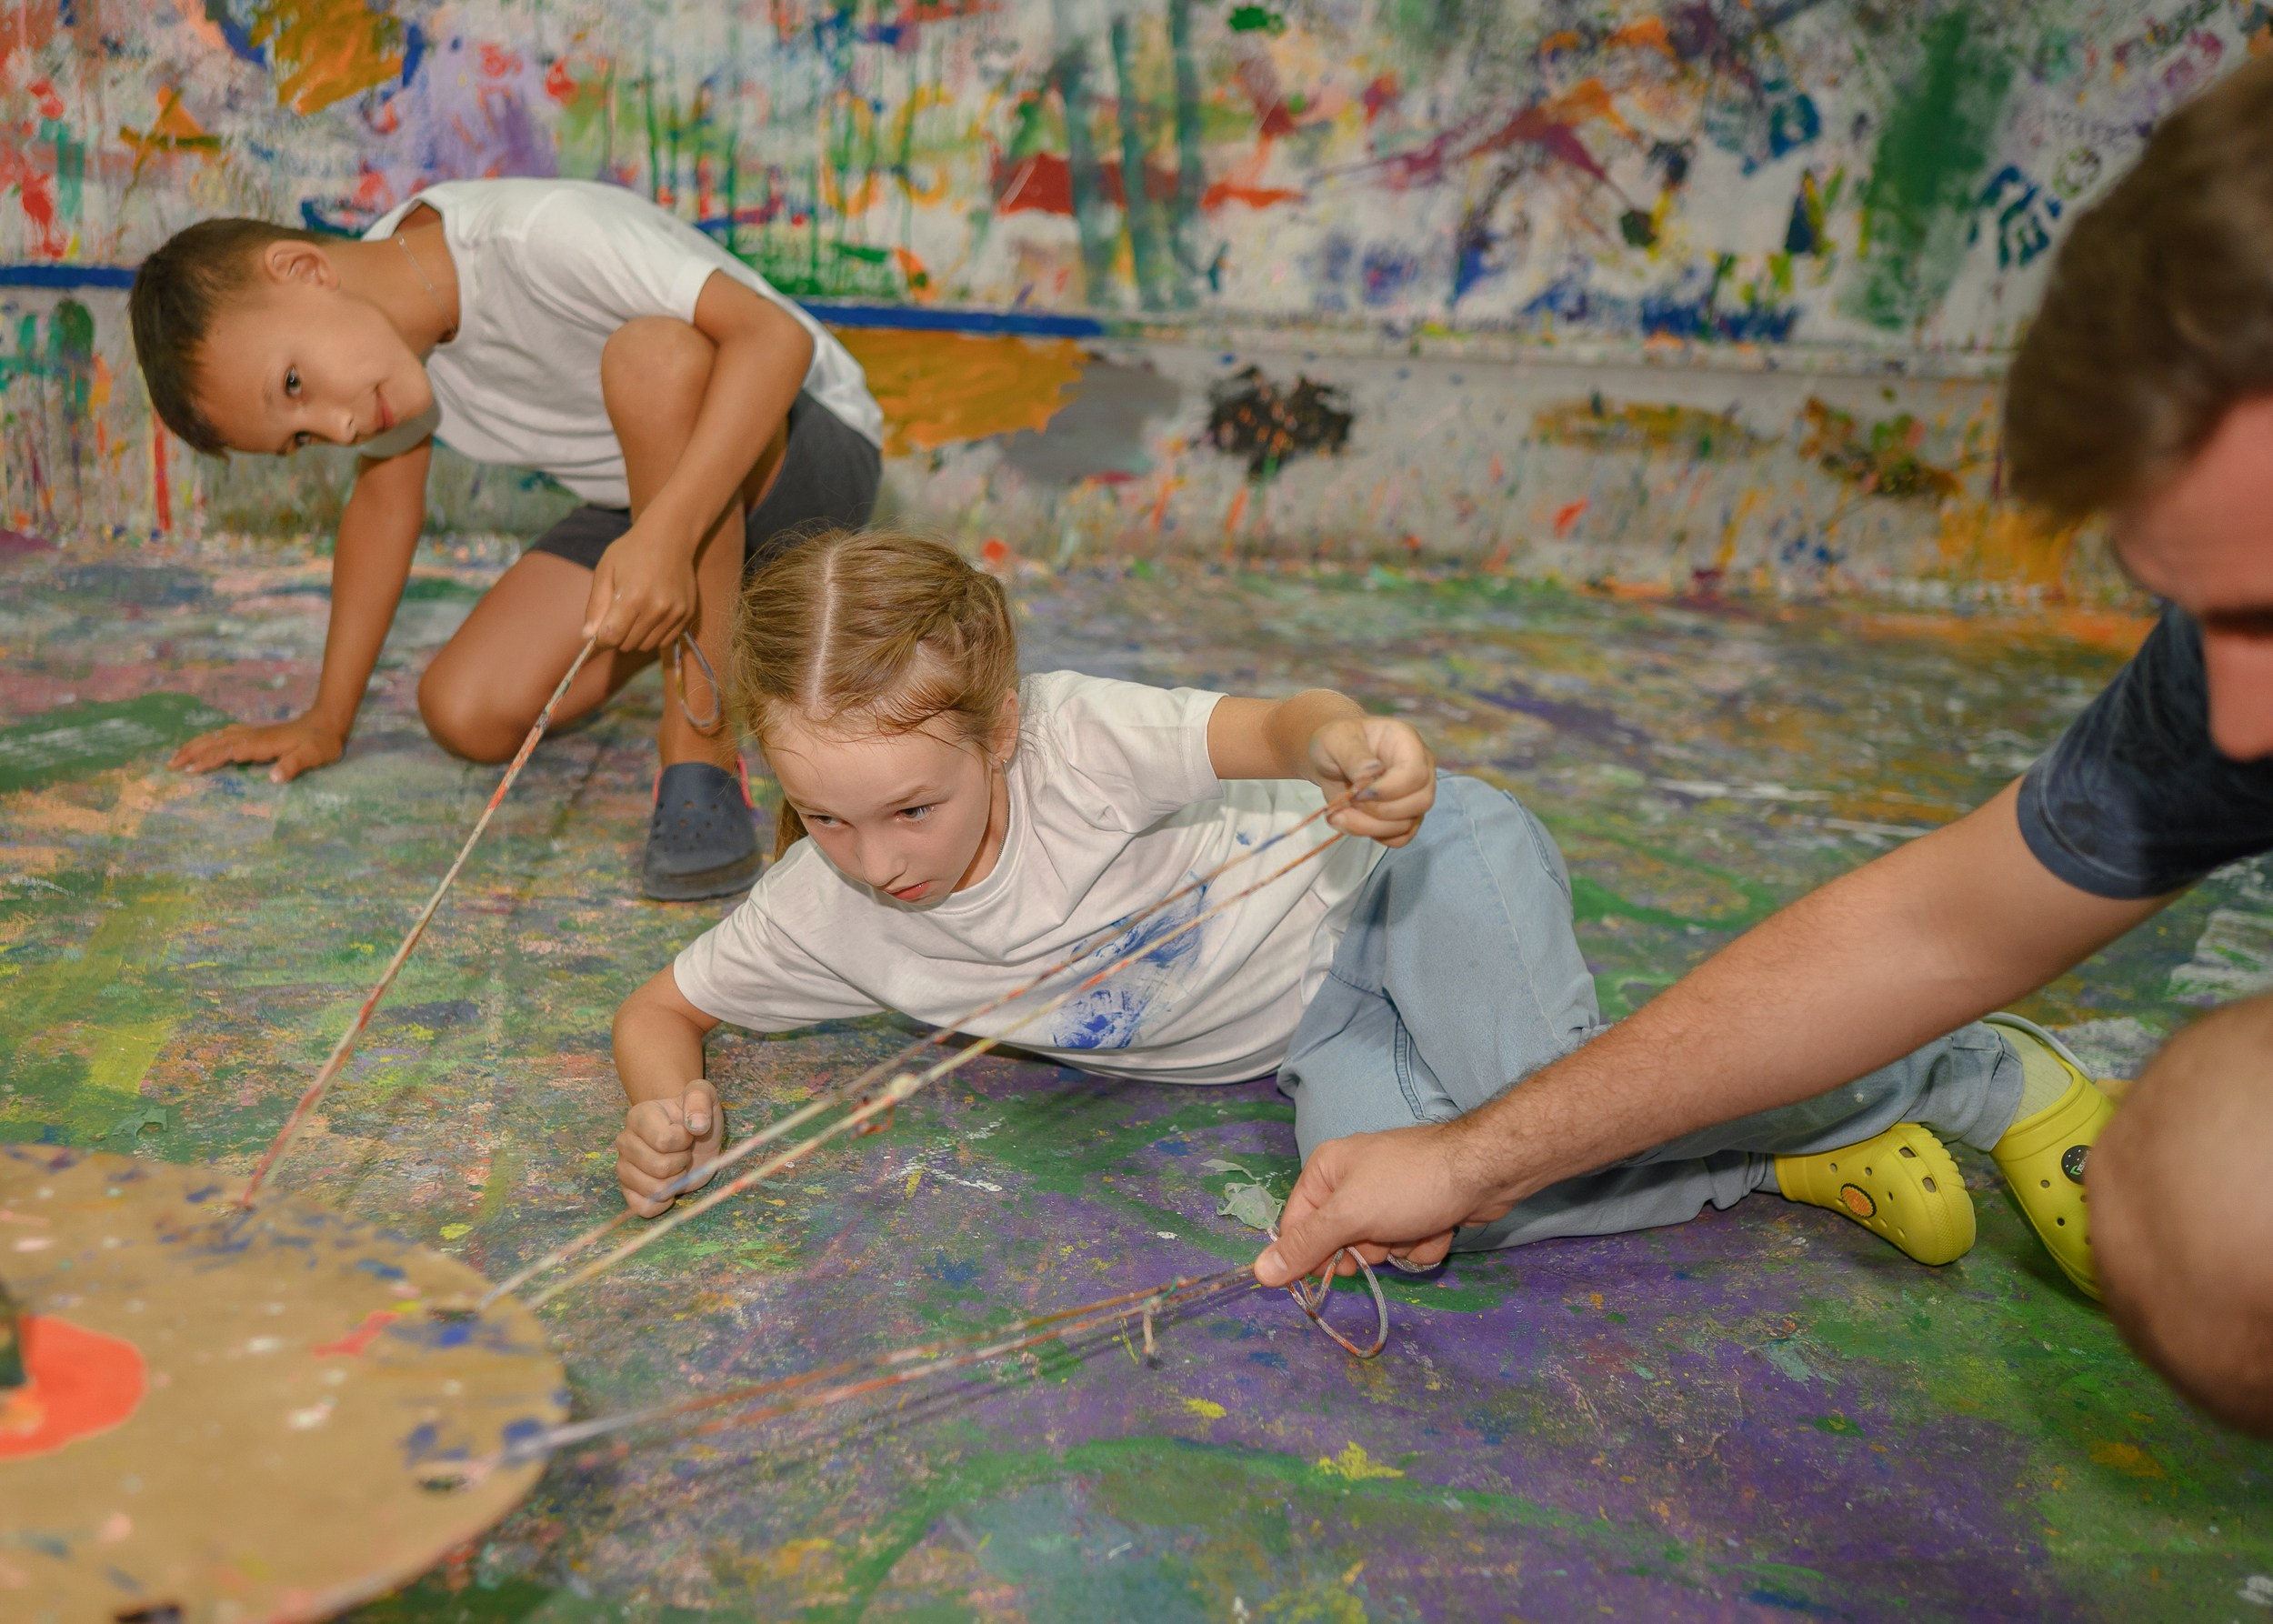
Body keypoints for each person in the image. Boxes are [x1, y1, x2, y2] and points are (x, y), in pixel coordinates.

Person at [1251, 56, 2273, 1438]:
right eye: (2194, 611)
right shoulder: (2224, 692)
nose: (2240, 726)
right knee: (2190, 1198)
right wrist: (1470, 1163)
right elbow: (1928, 933)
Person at [609, 528, 2071, 1289]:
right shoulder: (827, 907)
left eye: (912, 808)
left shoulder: (1074, 739)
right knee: (1399, 1218)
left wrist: (1345, 744)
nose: (876, 859)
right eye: (826, 815)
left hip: (1396, 880)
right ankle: (1791, 1154)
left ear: (996, 731)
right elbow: (661, 1007)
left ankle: (1979, 1074)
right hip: (1313, 1037)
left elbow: (1278, 721)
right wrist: (664, 1102)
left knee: (1531, 1104)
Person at [127, 178, 884, 899]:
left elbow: (774, 338)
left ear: (303, 269)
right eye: (301, 439)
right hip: (649, 507)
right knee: (464, 710)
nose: (340, 424)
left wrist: (668, 533)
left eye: (294, 385)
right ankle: (727, 612)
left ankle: (700, 753)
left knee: (654, 357)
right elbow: (384, 506)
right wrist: (327, 721)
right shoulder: (378, 348)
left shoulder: (538, 238)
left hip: (799, 456)